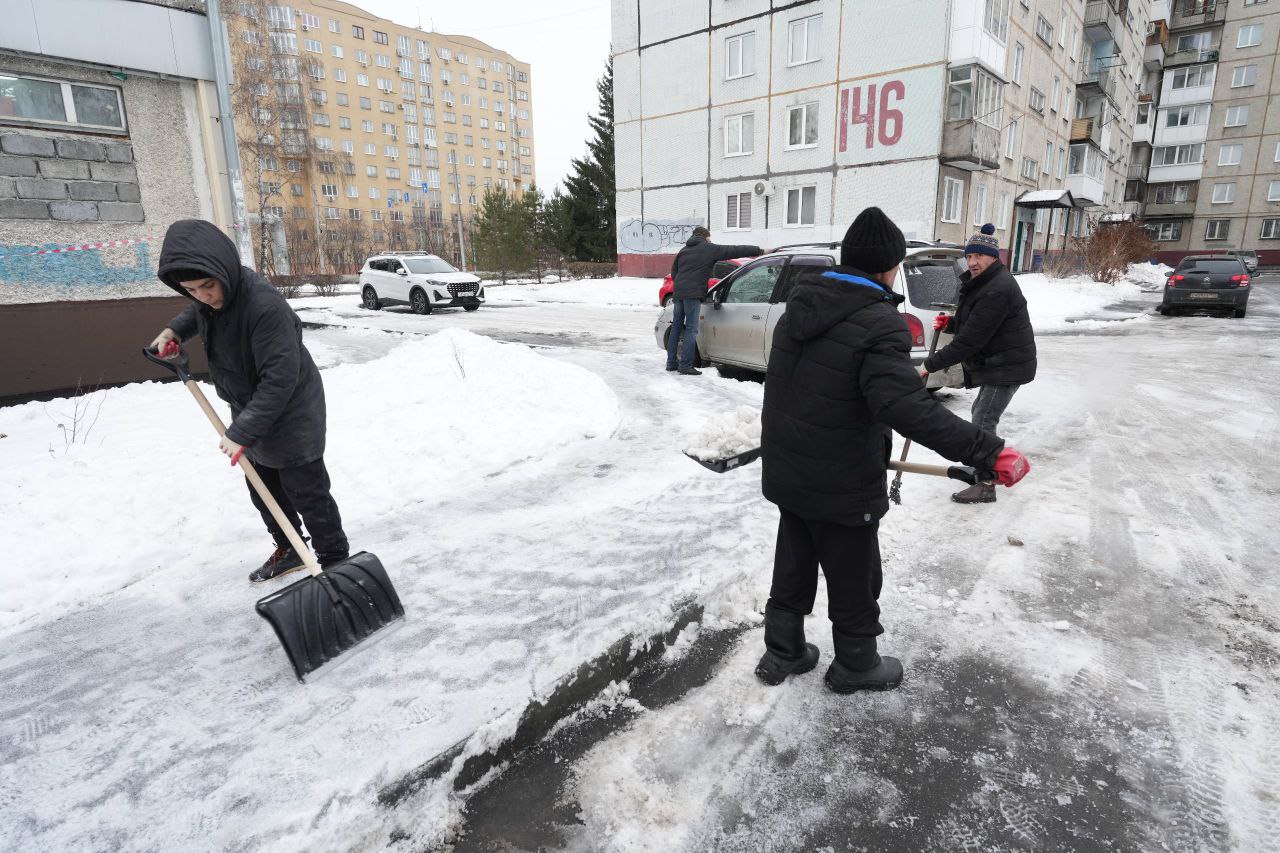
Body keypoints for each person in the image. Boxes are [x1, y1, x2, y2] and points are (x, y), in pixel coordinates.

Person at [757, 207, 1029, 694]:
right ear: (888, 267)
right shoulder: (878, 323)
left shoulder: (798, 309)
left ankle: (783, 651)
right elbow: (907, 409)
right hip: (842, 478)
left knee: (794, 555)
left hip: (791, 466)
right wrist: (988, 452)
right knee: (855, 572)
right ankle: (857, 664)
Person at [148, 219, 351, 583]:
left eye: (207, 286)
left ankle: (336, 561)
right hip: (249, 405)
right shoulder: (210, 298)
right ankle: (290, 549)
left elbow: (279, 380)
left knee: (307, 491)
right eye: (191, 290)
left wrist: (241, 432)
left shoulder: (264, 306)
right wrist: (174, 330)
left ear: (224, 270)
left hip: (291, 412)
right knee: (262, 488)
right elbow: (198, 312)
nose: (203, 296)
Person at [920, 223, 1037, 504]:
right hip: (1000, 361)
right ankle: (979, 468)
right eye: (969, 256)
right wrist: (951, 323)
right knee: (980, 413)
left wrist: (930, 365)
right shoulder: (986, 282)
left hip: (1007, 365)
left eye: (978, 256)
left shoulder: (998, 288)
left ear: (993, 257)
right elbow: (974, 323)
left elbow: (971, 341)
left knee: (984, 418)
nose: (972, 262)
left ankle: (986, 483)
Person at [666, 226, 763, 375]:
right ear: (706, 237)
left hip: (678, 294)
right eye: (709, 238)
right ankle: (685, 365)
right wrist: (759, 250)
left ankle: (671, 363)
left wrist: (682, 284)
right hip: (692, 295)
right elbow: (734, 250)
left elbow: (674, 272)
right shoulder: (708, 248)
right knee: (691, 329)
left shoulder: (683, 250)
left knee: (676, 327)